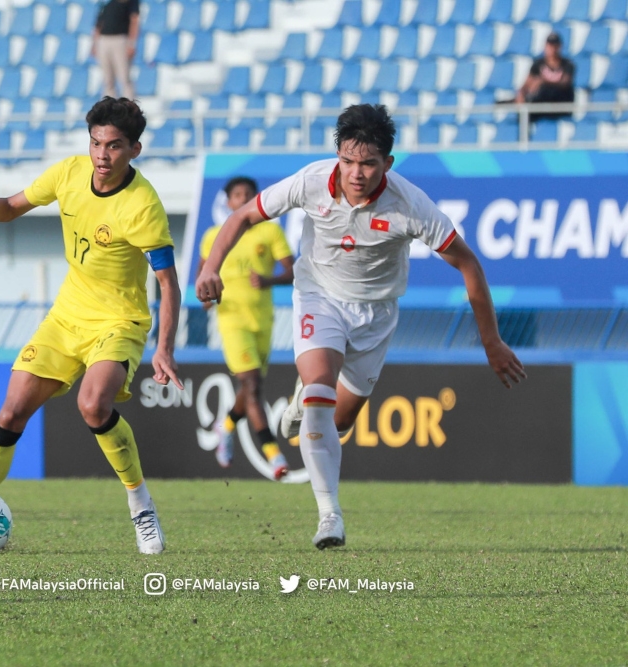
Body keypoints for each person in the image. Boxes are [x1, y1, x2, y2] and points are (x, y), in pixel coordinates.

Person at [196, 104, 525, 550]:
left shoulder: (410, 205)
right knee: (319, 393)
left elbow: (468, 263)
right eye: (348, 161)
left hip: (376, 315)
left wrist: (492, 340)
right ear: (337, 156)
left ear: (387, 163)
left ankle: (303, 402)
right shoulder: (311, 181)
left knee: (340, 418)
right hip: (319, 298)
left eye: (369, 163)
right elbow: (242, 217)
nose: (356, 173)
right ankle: (329, 515)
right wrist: (210, 268)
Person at [0, 97, 181, 554]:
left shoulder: (143, 206)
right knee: (11, 411)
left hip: (118, 322)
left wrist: (164, 348)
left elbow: (168, 283)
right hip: (65, 317)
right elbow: (8, 206)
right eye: (97, 143)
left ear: (134, 150)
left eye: (115, 146)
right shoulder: (67, 173)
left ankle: (141, 506)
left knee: (93, 405)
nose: (102, 155)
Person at [197, 176, 294, 480]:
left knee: (252, 387)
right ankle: (273, 454)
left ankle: (224, 426)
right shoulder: (215, 235)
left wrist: (268, 281)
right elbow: (203, 274)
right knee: (252, 386)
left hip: (263, 319)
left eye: (248, 194)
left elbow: (291, 271)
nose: (242, 199)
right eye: (237, 194)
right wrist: (206, 299)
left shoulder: (270, 231)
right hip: (231, 318)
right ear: (228, 201)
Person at [516, 32, 574, 121]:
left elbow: (565, 83)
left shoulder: (567, 65)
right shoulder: (538, 64)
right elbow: (527, 83)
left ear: (560, 47)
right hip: (540, 103)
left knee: (545, 90)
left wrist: (543, 82)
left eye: (555, 45)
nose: (552, 49)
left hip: (559, 103)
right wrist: (521, 94)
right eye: (550, 45)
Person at [92, 0, 140, 100]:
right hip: (104, 40)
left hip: (120, 39)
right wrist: (94, 44)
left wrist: (132, 43)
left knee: (124, 77)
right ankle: (108, 108)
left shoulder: (130, 2)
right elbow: (99, 25)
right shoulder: (106, 4)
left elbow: (134, 20)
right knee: (107, 79)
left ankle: (129, 107)